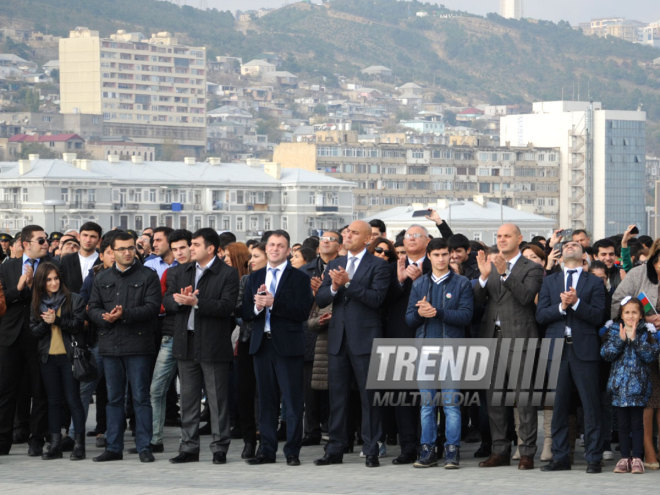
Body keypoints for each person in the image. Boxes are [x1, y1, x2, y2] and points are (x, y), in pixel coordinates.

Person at [315, 220, 391, 468]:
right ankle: (335, 448)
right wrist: (335, 286)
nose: (347, 235)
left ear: (368, 239)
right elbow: (322, 296)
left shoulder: (379, 265)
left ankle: (372, 449)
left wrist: (348, 282)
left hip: (365, 339)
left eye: (354, 233)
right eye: (346, 232)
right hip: (338, 338)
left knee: (369, 398)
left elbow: (377, 299)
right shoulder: (335, 263)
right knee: (337, 397)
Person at [165, 228, 239, 465]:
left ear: (210, 248)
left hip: (213, 343)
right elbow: (166, 300)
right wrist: (179, 300)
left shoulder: (227, 273)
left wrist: (197, 302)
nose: (190, 249)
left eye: (195, 245)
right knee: (187, 398)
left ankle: (219, 447)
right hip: (185, 342)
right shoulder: (179, 271)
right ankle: (188, 447)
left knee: (217, 399)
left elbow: (227, 307)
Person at [474, 223, 543, 470]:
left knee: (524, 399)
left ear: (519, 238)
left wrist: (505, 274)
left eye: (507, 236)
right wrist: (483, 277)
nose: (502, 240)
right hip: (493, 339)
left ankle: (526, 452)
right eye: (499, 236)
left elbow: (526, 298)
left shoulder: (532, 268)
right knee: (494, 399)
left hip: (521, 338)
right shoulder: (490, 267)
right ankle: (499, 450)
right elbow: (476, 302)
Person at [242, 230, 314, 466]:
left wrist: (275, 303)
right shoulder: (254, 277)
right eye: (271, 245)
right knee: (266, 400)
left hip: (288, 345)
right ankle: (267, 450)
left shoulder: (299, 278)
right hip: (261, 344)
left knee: (292, 402)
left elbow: (302, 312)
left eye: (280, 245)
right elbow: (244, 313)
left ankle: (292, 451)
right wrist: (257, 308)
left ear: (287, 250)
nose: (274, 249)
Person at [88, 231, 161, 463]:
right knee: (113, 398)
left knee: (140, 397)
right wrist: (104, 316)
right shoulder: (101, 277)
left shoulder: (148, 275)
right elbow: (92, 307)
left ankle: (144, 446)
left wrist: (124, 314)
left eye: (131, 248)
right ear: (112, 251)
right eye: (122, 249)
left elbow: (152, 307)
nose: (128, 252)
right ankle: (113, 447)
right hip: (110, 345)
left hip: (138, 344)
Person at [536, 240, 606, 474]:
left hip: (585, 349)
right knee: (559, 406)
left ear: (583, 254)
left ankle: (593, 457)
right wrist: (561, 307)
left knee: (591, 405)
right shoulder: (549, 281)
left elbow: (598, 316)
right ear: (560, 255)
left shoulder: (594, 282)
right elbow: (541, 315)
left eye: (575, 244)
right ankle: (560, 457)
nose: (569, 246)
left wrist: (576, 303)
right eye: (566, 244)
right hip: (556, 349)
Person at [405, 237, 474, 469]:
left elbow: (466, 316)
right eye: (437, 255)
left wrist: (437, 312)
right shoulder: (419, 285)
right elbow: (408, 319)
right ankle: (427, 450)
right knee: (427, 404)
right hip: (425, 350)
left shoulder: (462, 283)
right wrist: (420, 314)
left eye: (445, 254)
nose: (442, 259)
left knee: (451, 403)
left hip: (451, 350)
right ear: (429, 256)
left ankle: (452, 450)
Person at [0, 225, 54, 456]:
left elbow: (59, 296)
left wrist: (34, 287)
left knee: (39, 390)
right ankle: (3, 440)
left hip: (40, 335)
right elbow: (4, 299)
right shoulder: (7, 266)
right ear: (25, 244)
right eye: (40, 240)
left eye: (46, 240)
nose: (45, 244)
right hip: (10, 335)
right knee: (6, 390)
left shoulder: (51, 267)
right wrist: (20, 286)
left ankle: (36, 439)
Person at [610, 239, 660, 470]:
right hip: (643, 341)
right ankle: (647, 451)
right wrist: (641, 316)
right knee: (650, 398)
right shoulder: (639, 274)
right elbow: (618, 300)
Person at [30, 262, 86, 460]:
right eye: (48, 280)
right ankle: (55, 445)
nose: (53, 283)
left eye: (56, 278)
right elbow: (34, 331)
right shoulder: (38, 302)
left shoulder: (74, 299)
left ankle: (79, 444)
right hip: (48, 358)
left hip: (70, 357)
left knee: (72, 400)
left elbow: (78, 325)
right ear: (42, 283)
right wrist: (46, 324)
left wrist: (58, 320)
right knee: (53, 402)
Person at [601, 297, 660, 474]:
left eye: (634, 312)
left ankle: (637, 458)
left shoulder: (645, 333)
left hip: (639, 387)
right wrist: (620, 341)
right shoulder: (613, 331)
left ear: (641, 315)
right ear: (621, 315)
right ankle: (624, 457)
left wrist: (635, 340)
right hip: (619, 387)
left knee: (637, 424)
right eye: (627, 312)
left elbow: (651, 355)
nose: (631, 316)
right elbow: (606, 354)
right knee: (622, 424)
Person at [148, 229, 192, 454]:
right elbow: (163, 302)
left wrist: (189, 301)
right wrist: (181, 301)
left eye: (182, 248)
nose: (179, 253)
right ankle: (155, 438)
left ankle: (189, 442)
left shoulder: (207, 272)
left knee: (190, 394)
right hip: (171, 335)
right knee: (156, 389)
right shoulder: (171, 274)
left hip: (197, 338)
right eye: (174, 249)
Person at [60, 222, 102, 294]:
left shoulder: (103, 261)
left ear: (99, 240)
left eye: (93, 237)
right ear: (79, 237)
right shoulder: (67, 260)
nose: (88, 240)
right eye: (85, 235)